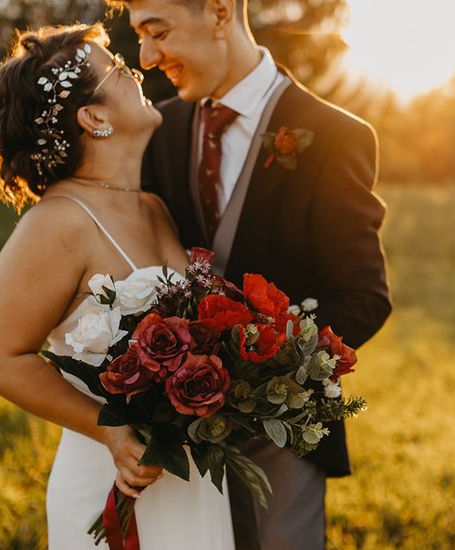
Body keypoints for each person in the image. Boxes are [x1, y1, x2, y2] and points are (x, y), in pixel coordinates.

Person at [110, 0, 393, 548]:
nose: (145, 57)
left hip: (283, 432)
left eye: (157, 32)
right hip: (177, 433)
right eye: (140, 37)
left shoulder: (334, 135)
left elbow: (363, 298)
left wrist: (261, 378)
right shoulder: (161, 130)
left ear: (218, 13)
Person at [0, 23, 234, 549]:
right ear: (93, 117)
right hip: (115, 480)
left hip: (193, 479)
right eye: (117, 67)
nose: (135, 70)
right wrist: (110, 430)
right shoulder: (58, 222)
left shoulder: (154, 208)